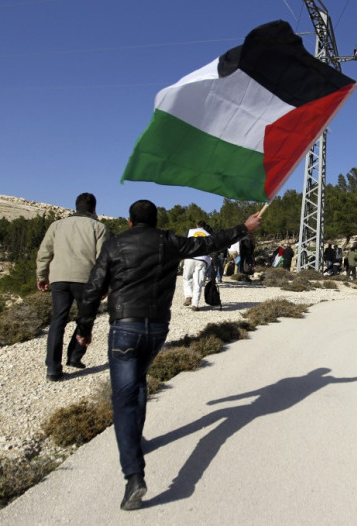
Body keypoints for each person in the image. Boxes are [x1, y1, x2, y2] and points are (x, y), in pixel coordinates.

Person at [75, 200, 262, 511]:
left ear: (130, 221)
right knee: (138, 382)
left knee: (123, 397)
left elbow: (94, 288)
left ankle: (134, 475)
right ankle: (137, 439)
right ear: (156, 220)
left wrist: (84, 327)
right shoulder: (169, 241)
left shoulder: (114, 244)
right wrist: (244, 227)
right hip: (157, 328)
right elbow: (209, 243)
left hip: (124, 326)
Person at [36, 192, 110, 381]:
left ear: (76, 207)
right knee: (86, 318)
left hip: (59, 278)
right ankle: (75, 356)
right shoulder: (99, 227)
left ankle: (52, 368)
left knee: (57, 321)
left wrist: (42, 276)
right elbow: (104, 260)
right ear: (94, 209)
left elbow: (44, 252)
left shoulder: (57, 225)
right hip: (86, 279)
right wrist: (104, 286)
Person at [182, 221, 211, 311]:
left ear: (197, 226)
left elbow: (183, 242)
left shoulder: (190, 231)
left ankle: (188, 295)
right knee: (198, 282)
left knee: (187, 278)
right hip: (203, 259)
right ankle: (195, 304)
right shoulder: (209, 235)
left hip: (190, 257)